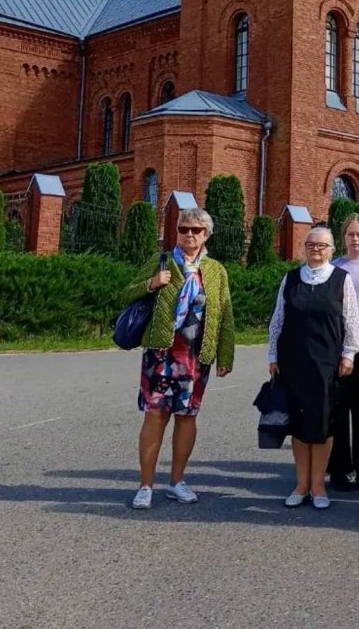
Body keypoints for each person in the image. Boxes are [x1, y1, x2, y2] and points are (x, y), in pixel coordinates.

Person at [128, 208, 234, 510]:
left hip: (195, 357)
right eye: (184, 229)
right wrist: (151, 283)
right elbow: (126, 294)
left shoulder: (215, 270)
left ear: (207, 235)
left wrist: (225, 354)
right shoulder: (161, 261)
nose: (189, 234)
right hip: (161, 353)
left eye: (196, 230)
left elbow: (225, 314)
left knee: (187, 417)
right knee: (155, 415)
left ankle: (176, 482)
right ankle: (145, 486)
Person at [268, 225, 359, 508]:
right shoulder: (292, 278)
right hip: (293, 361)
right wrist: (272, 355)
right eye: (311, 245)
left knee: (322, 426)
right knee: (297, 424)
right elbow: (278, 319)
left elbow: (351, 320)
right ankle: (302, 483)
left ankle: (319, 485)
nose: (316, 250)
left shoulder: (340, 279)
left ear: (332, 250)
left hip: (327, 364)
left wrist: (349, 355)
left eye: (321, 246)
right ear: (304, 248)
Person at [328, 213, 359, 491]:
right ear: (343, 238)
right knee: (338, 410)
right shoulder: (334, 267)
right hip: (339, 349)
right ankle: (338, 469)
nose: (355, 239)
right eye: (350, 234)